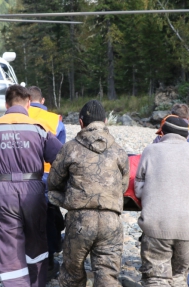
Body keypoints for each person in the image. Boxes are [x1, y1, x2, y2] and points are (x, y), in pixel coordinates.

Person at [0, 84, 63, 287]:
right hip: (33, 192)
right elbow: (62, 160)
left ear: (6, 104)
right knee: (36, 243)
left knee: (10, 247)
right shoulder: (39, 129)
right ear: (28, 104)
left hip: (2, 193)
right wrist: (58, 190)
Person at [47, 100, 130, 287]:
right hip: (111, 220)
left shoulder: (70, 148)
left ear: (81, 122)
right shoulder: (119, 151)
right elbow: (123, 186)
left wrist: (66, 198)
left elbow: (53, 183)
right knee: (108, 275)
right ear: (106, 121)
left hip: (80, 220)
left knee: (72, 274)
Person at [134, 116, 189, 286]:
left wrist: (153, 196)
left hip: (156, 226)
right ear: (185, 135)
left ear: (163, 133)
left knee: (156, 278)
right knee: (179, 276)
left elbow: (138, 188)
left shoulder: (151, 151)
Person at [27, 86, 66, 281]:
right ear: (42, 101)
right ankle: (49, 261)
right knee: (49, 218)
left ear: (27, 100)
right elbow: (61, 156)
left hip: (22, 178)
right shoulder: (54, 120)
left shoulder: (17, 117)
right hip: (47, 178)